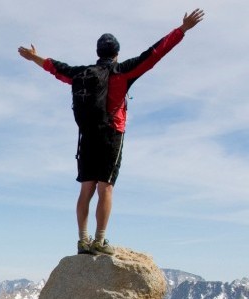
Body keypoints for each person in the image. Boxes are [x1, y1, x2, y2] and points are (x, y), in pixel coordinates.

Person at [17, 8, 205, 255]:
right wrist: (181, 30)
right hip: (111, 134)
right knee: (106, 187)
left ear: (98, 53)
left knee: (86, 188)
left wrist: (34, 58)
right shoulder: (123, 71)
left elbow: (55, 67)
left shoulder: (81, 74)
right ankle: (100, 241)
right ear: (116, 53)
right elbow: (155, 53)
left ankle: (82, 241)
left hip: (86, 135)